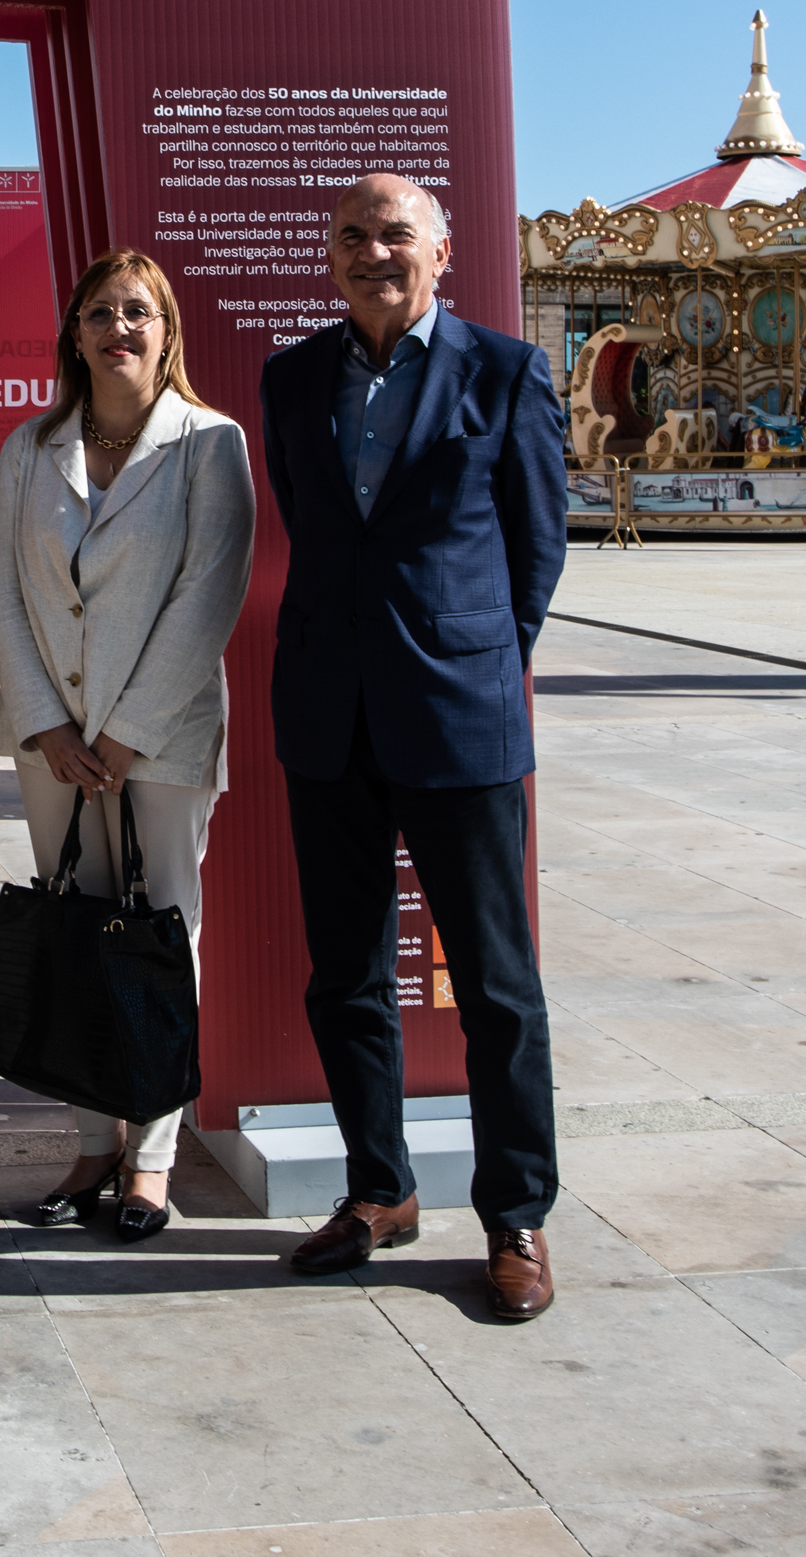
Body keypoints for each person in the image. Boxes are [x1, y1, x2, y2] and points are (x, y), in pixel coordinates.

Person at [258, 172, 567, 1323]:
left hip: (459, 717)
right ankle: (379, 1189)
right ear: (329, 257)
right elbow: (312, 523)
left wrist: (477, 657)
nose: (373, 252)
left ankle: (517, 1213)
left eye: (397, 234)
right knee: (345, 975)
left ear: (445, 253)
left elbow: (537, 549)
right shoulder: (293, 378)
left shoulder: (505, 370)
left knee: (495, 985)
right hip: (329, 716)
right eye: (352, 236)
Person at [0, 250, 255, 1242]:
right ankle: (92, 1142)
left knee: (157, 938)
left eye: (137, 311)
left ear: (166, 329)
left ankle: (150, 1160)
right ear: (76, 332)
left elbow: (208, 594)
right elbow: (5, 588)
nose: (119, 328)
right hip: (53, 743)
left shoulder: (209, 443)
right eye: (100, 312)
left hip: (163, 741)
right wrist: (50, 723)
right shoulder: (30, 448)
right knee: (75, 931)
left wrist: (126, 733)